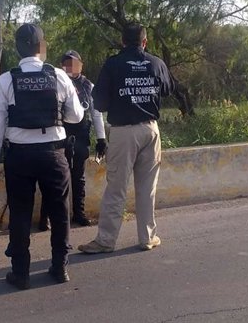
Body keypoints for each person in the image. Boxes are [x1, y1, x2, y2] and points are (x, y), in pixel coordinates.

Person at [0, 24, 84, 290]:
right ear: (41, 47)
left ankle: (21, 273)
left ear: (17, 48)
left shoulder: (6, 80)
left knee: (20, 213)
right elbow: (76, 116)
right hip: (54, 154)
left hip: (20, 157)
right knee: (60, 211)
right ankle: (60, 267)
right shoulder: (59, 76)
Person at [78, 23, 193, 254]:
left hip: (123, 132)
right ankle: (147, 237)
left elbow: (98, 103)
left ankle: (106, 241)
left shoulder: (113, 64)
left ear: (122, 41)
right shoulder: (157, 63)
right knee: (147, 187)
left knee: (116, 188)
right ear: (145, 42)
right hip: (151, 129)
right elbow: (169, 89)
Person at [38, 50, 107, 231]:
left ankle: (79, 213)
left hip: (81, 137)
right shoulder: (56, 82)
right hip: (59, 137)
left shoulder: (88, 85)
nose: (70, 66)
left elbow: (96, 113)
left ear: (81, 65)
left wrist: (101, 139)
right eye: (66, 63)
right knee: (54, 178)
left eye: (74, 63)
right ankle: (46, 217)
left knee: (78, 178)